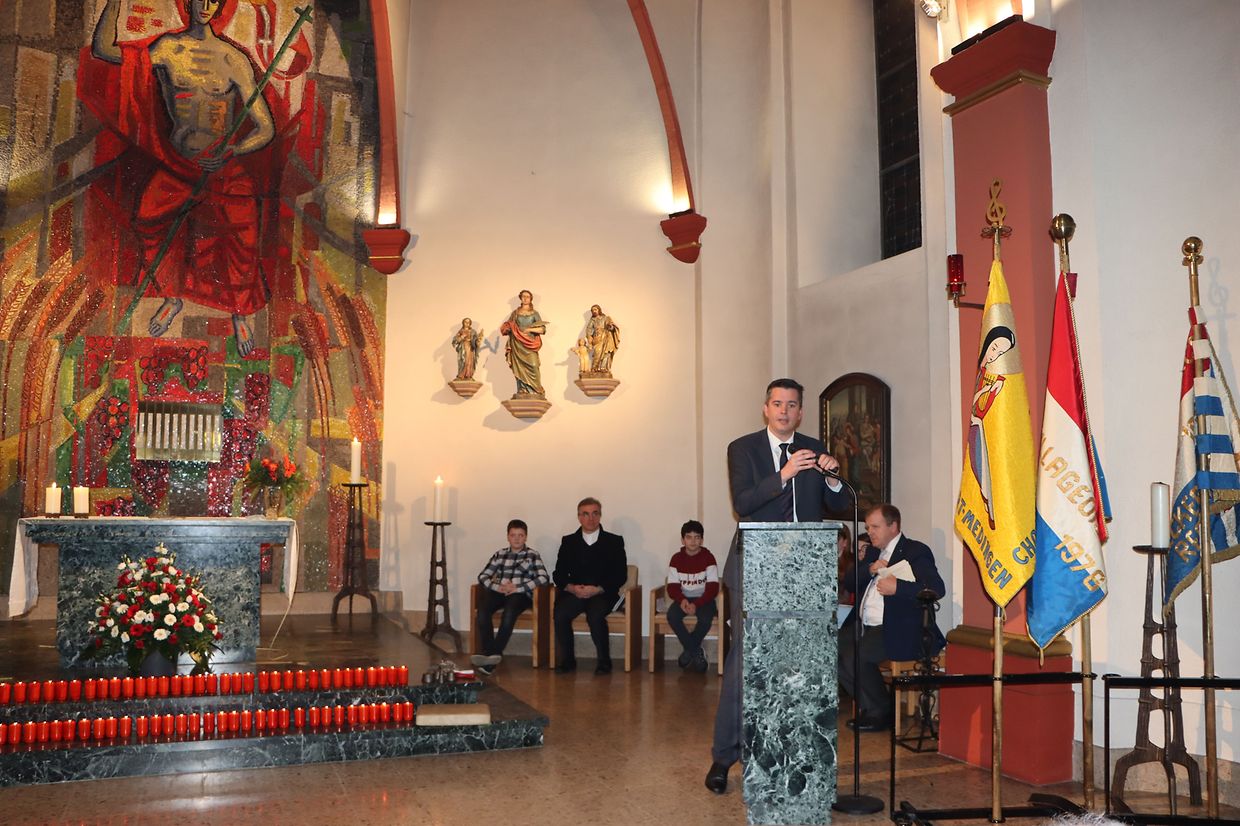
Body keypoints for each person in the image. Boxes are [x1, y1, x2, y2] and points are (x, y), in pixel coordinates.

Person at [91, 0, 277, 357]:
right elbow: (103, 50)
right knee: (148, 218)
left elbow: (265, 128)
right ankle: (172, 297)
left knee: (244, 234)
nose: (205, 5)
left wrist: (233, 151)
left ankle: (239, 312)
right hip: (178, 164)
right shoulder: (168, 49)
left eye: (214, 0)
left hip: (222, 165)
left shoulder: (233, 59)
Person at [705, 378, 848, 795]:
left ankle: (795, 757)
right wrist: (784, 474)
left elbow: (838, 504)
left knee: (800, 668)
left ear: (800, 412)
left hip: (804, 570)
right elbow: (743, 503)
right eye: (777, 404)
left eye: (792, 405)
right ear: (765, 408)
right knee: (746, 664)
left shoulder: (814, 449)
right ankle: (724, 757)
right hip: (755, 566)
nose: (784, 411)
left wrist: (833, 479)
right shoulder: (743, 448)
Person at [837, 504, 946, 732]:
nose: (870, 532)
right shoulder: (873, 552)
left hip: (898, 627)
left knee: (856, 656)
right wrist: (869, 569)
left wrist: (898, 587)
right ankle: (871, 707)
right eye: (868, 527)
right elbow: (849, 582)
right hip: (864, 624)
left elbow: (936, 588)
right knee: (831, 650)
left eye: (875, 527)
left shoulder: (915, 551)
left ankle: (880, 712)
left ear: (893, 526)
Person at [552, 498, 627, 675]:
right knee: (560, 613)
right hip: (575, 593)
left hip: (602, 593)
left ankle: (604, 661)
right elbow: (558, 574)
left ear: (600, 515)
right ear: (579, 517)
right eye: (585, 514)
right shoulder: (569, 541)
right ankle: (568, 660)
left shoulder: (614, 541)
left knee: (595, 615)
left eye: (595, 513)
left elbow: (620, 574)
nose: (590, 518)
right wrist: (571, 588)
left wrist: (598, 589)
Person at [471, 519, 550, 676]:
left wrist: (517, 588)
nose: (517, 539)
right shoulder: (500, 554)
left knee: (509, 613)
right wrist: (498, 587)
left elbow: (543, 578)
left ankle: (492, 655)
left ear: (526, 537)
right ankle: (491, 653)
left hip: (520, 594)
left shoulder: (532, 555)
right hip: (500, 591)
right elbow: (483, 576)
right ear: (508, 536)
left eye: (520, 535)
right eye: (513, 535)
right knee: (483, 610)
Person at [968, 326, 1015, 530]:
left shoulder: (996, 378)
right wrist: (985, 390)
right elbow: (976, 407)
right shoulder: (982, 374)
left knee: (988, 475)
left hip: (984, 432)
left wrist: (993, 390)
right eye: (994, 348)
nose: (995, 355)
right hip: (976, 429)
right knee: (979, 473)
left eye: (1000, 352)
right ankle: (987, 506)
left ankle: (992, 510)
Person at [664, 520, 719, 673]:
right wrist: (682, 600)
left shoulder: (709, 558)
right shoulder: (676, 559)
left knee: (705, 618)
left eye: (697, 537)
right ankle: (696, 651)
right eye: (689, 537)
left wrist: (697, 604)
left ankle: (689, 651)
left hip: (704, 599)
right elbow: (672, 587)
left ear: (702, 540)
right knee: (672, 616)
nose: (693, 541)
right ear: (683, 540)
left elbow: (713, 588)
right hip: (684, 598)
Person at [499, 290, 547, 396]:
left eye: (527, 297)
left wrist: (529, 330)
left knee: (534, 365)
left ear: (531, 299)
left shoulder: (534, 313)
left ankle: (536, 390)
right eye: (523, 296)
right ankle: (522, 390)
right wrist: (508, 328)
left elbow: (543, 329)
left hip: (530, 344)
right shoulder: (515, 313)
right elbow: (509, 325)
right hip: (517, 344)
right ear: (520, 298)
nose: (525, 298)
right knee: (519, 367)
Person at [584, 304, 620, 374]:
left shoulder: (606, 318)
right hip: (597, 337)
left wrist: (610, 326)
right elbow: (589, 329)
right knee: (597, 352)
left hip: (607, 337)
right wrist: (589, 338)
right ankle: (594, 368)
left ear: (599, 310)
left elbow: (612, 328)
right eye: (592, 310)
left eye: (595, 309)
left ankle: (603, 368)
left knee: (606, 352)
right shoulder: (592, 320)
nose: (594, 311)